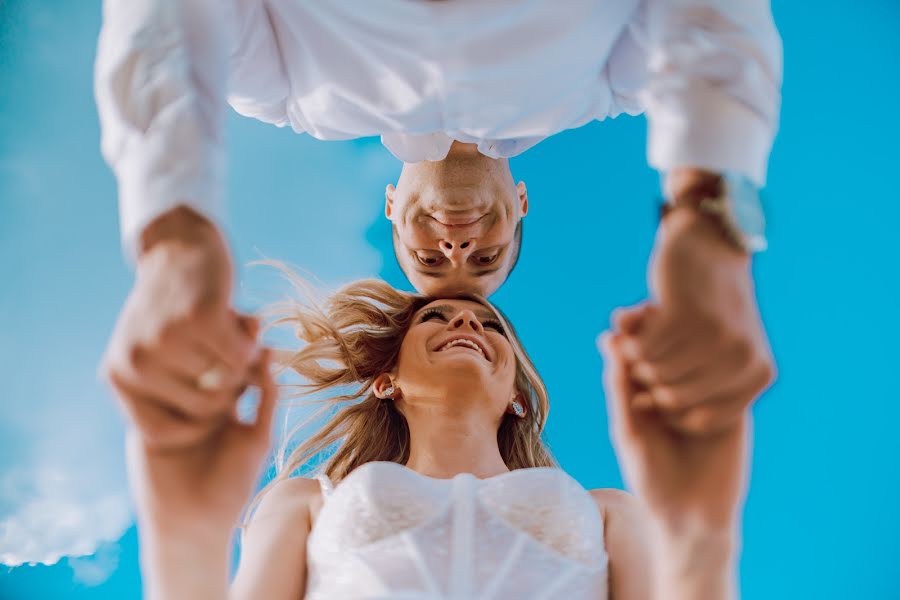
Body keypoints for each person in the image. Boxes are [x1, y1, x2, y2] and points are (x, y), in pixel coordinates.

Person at [97, 0, 782, 431]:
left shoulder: (287, 89)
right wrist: (706, 227)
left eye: (427, 259)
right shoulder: (608, 80)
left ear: (392, 209)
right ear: (519, 206)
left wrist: (174, 238)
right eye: (487, 257)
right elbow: (710, 26)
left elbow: (172, 25)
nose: (457, 248)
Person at [111, 276, 770, 599]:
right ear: (386, 381)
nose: (467, 323)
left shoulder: (610, 511)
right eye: (438, 316)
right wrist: (186, 538)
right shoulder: (305, 503)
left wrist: (701, 534)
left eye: (488, 324)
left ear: (516, 394)